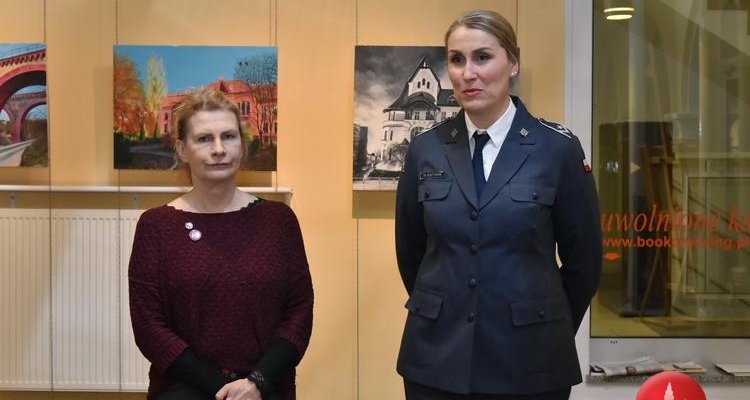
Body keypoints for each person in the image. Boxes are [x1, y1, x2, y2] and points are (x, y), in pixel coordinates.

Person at [394, 10, 602, 400]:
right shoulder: (426, 148)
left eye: (483, 57)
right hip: (438, 359)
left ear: (513, 63)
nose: (468, 73)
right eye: (457, 59)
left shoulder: (556, 148)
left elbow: (585, 263)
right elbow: (411, 253)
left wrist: (546, 325)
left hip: (531, 361)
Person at [128, 88, 313, 400]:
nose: (218, 149)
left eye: (228, 136)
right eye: (204, 139)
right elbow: (149, 326)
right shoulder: (156, 226)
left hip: (266, 390)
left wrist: (257, 382)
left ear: (242, 144)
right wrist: (221, 391)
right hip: (183, 391)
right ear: (182, 149)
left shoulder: (279, 221)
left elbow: (299, 313)